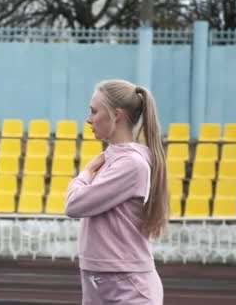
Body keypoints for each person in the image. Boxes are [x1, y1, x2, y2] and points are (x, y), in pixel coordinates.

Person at [65, 79, 168, 305]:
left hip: (129, 288)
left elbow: (74, 205)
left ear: (116, 115)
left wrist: (87, 172)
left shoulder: (131, 164)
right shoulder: (115, 158)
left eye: (94, 111)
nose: (88, 119)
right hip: (101, 282)